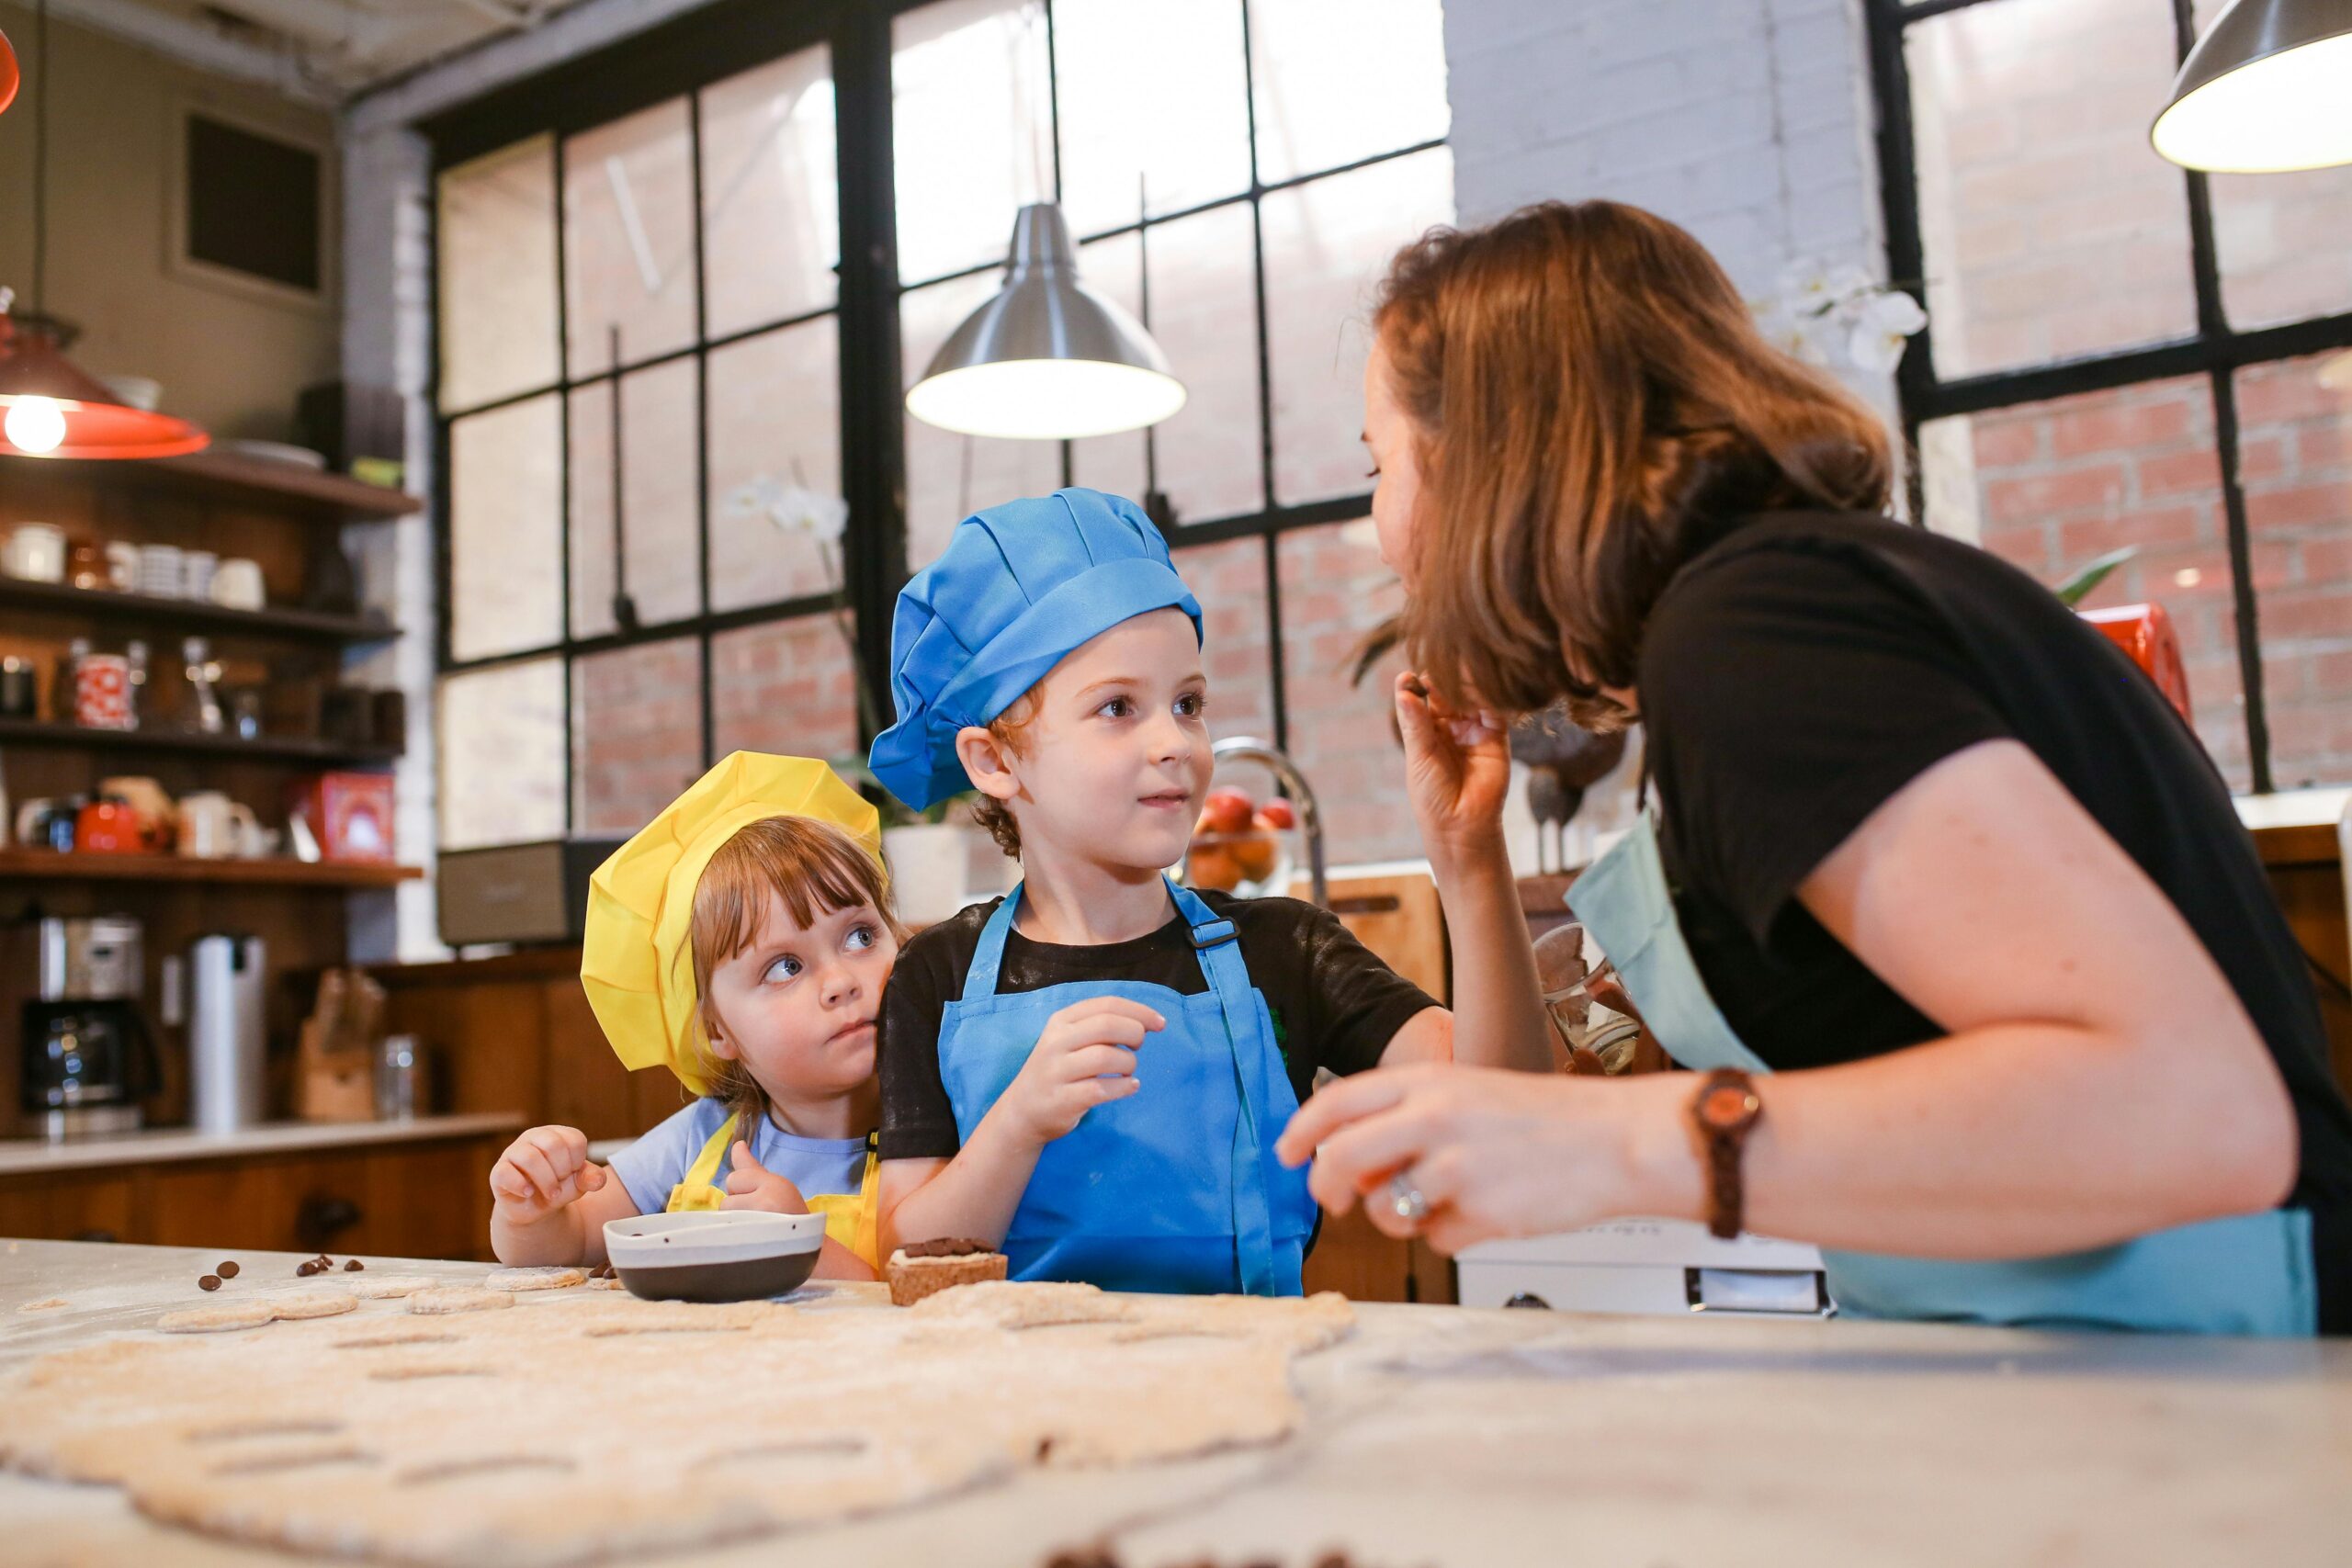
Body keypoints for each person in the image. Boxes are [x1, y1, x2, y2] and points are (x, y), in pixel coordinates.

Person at [1278, 199, 2352, 1336]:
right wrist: (1468, 860)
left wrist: (1637, 1144)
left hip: (2229, 1367)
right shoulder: (1782, 616)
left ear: (1491, 462)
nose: (1379, 520)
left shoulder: (1761, 631)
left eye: (1378, 465)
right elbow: (1522, 1102)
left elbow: (2189, 1111)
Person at [867, 488, 1459, 1296]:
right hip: (1013, 1396)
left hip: (1253, 1391)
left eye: (1188, 703)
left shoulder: (1286, 950)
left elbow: (1499, 1092)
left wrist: (1471, 858)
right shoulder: (934, 975)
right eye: (1118, 707)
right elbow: (905, 1257)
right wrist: (1019, 1121)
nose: (1174, 742)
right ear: (995, 762)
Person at [488, 753, 900, 1280]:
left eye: (860, 936)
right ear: (715, 1029)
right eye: (786, 966)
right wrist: (528, 1209)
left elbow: (934, 1303)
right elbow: (570, 1242)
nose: (841, 981)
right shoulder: (702, 1139)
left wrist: (803, 1243)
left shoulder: (943, 1126)